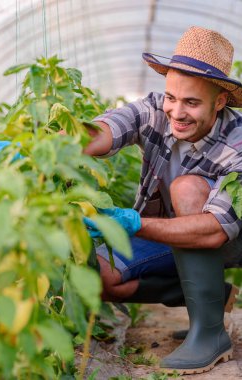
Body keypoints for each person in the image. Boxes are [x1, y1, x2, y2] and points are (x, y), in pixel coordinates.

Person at [82, 26, 242, 374]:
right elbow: (105, 131)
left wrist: (133, 223)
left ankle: (209, 334)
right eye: (172, 97)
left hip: (229, 238)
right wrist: (41, 147)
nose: (177, 112)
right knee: (101, 275)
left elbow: (215, 231)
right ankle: (214, 298)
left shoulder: (238, 142)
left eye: (192, 102)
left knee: (187, 188)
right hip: (174, 235)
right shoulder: (156, 110)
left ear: (220, 102)